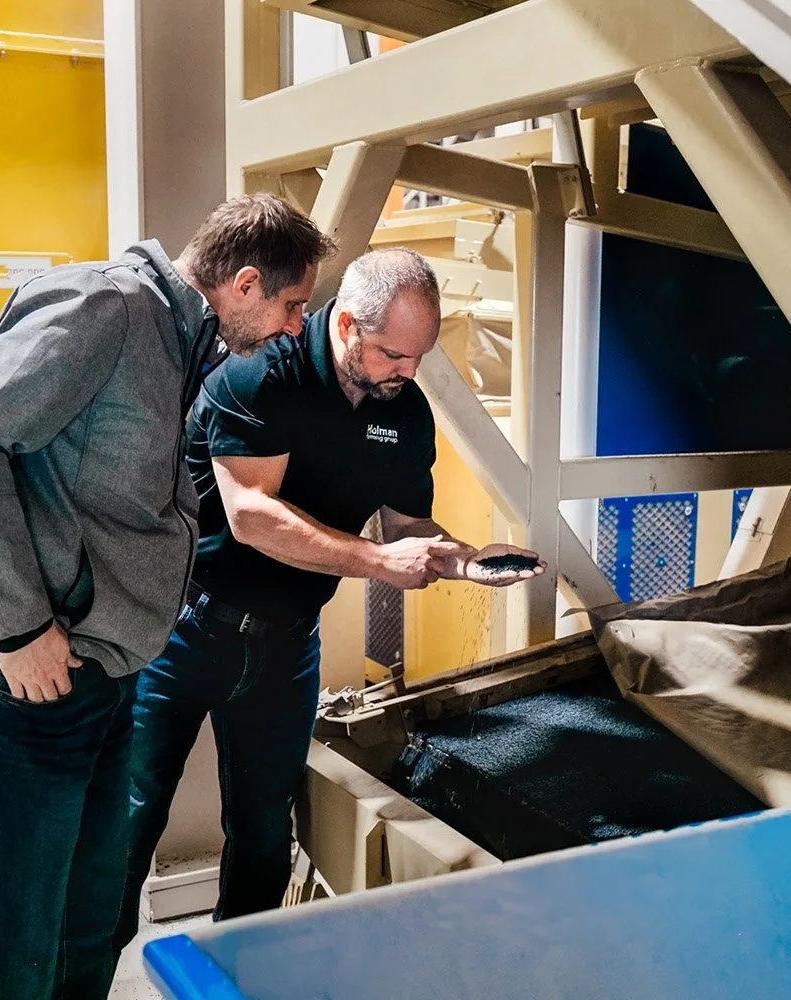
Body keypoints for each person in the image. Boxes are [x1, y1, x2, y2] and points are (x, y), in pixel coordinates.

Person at [0, 194, 336, 1000]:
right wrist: (20, 626)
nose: (292, 327)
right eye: (291, 305)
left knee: (92, 924)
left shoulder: (184, 344)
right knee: (14, 953)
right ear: (244, 283)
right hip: (18, 676)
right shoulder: (108, 308)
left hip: (96, 670)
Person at [115, 248, 543, 943]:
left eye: (418, 358)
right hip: (185, 632)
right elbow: (252, 517)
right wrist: (376, 560)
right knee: (126, 824)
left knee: (261, 836)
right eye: (391, 355)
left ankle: (236, 975)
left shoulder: (403, 412)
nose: (406, 374)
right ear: (346, 325)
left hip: (286, 649)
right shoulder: (261, 374)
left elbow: (408, 526)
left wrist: (465, 561)